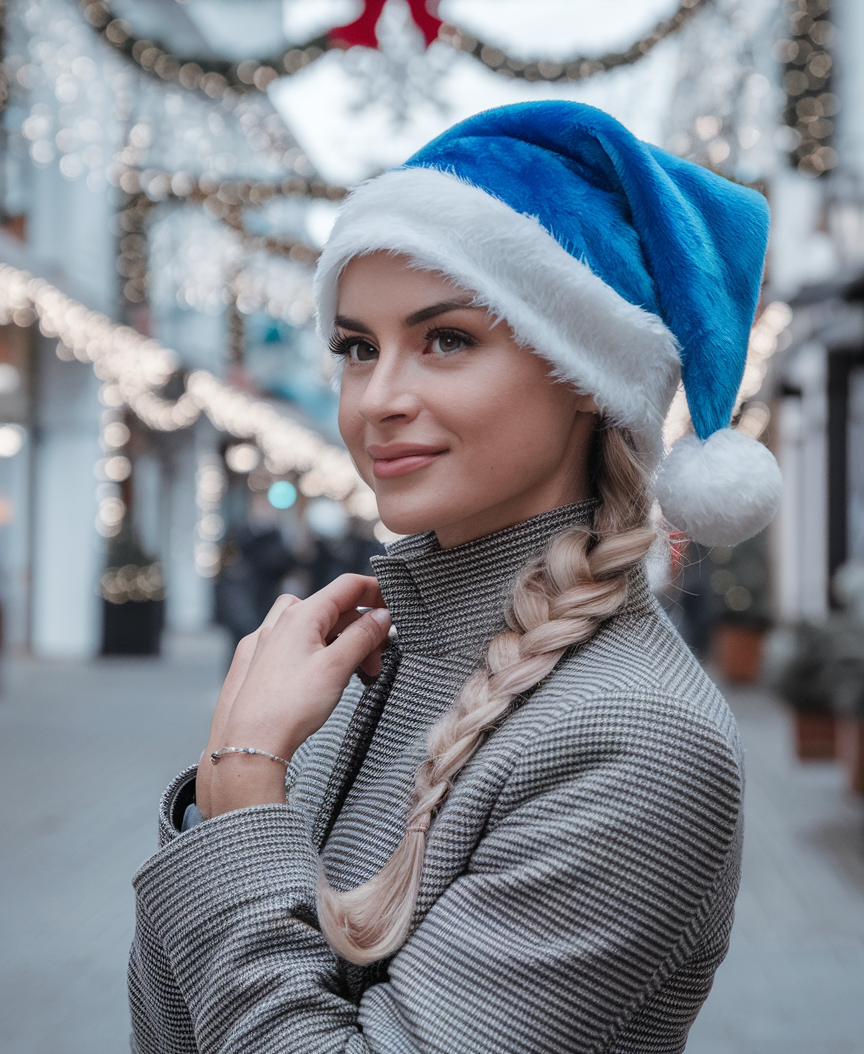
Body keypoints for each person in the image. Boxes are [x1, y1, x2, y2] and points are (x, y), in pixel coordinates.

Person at [128, 102, 782, 1053]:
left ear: (586, 373)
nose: (379, 400)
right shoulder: (371, 669)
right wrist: (228, 793)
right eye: (358, 348)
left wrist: (247, 791)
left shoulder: (637, 737)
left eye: (447, 340)